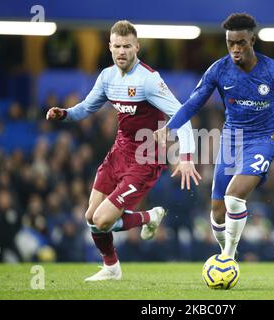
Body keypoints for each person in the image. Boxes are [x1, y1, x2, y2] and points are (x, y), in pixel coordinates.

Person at [46, 20, 201, 281]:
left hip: (145, 158)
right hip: (119, 152)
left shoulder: (149, 80)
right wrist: (64, 114)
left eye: (127, 46)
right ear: (109, 47)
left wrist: (186, 157)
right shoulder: (107, 77)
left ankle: (149, 216)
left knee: (103, 219)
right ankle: (112, 267)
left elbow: (182, 114)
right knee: (91, 218)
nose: (121, 51)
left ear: (137, 47)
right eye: (117, 46)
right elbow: (86, 107)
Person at [154, 13, 274, 259]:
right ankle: (226, 252)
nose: (235, 49)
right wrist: (169, 127)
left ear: (252, 40)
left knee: (234, 196)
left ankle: (228, 259)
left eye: (241, 43)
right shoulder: (219, 70)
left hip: (265, 139)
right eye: (230, 43)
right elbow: (193, 104)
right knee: (217, 212)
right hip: (231, 141)